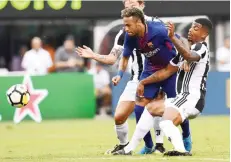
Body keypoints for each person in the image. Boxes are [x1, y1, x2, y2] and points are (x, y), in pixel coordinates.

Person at [76, 0, 167, 154]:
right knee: (119, 116)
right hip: (137, 78)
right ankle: (125, 146)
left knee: (156, 109)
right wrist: (93, 56)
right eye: (127, 6)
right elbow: (114, 58)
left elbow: (169, 47)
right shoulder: (124, 32)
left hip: (157, 76)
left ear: (142, 5)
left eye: (133, 5)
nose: (130, 8)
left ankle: (159, 144)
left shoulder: (157, 24)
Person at [113, 18, 212, 156]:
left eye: (196, 28)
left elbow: (189, 54)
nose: (190, 30)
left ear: (204, 35)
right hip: (183, 98)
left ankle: (181, 150)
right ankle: (129, 149)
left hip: (191, 98)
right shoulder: (182, 55)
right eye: (191, 27)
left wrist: (172, 37)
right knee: (150, 109)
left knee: (166, 122)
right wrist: (143, 82)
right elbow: (166, 71)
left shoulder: (201, 47)